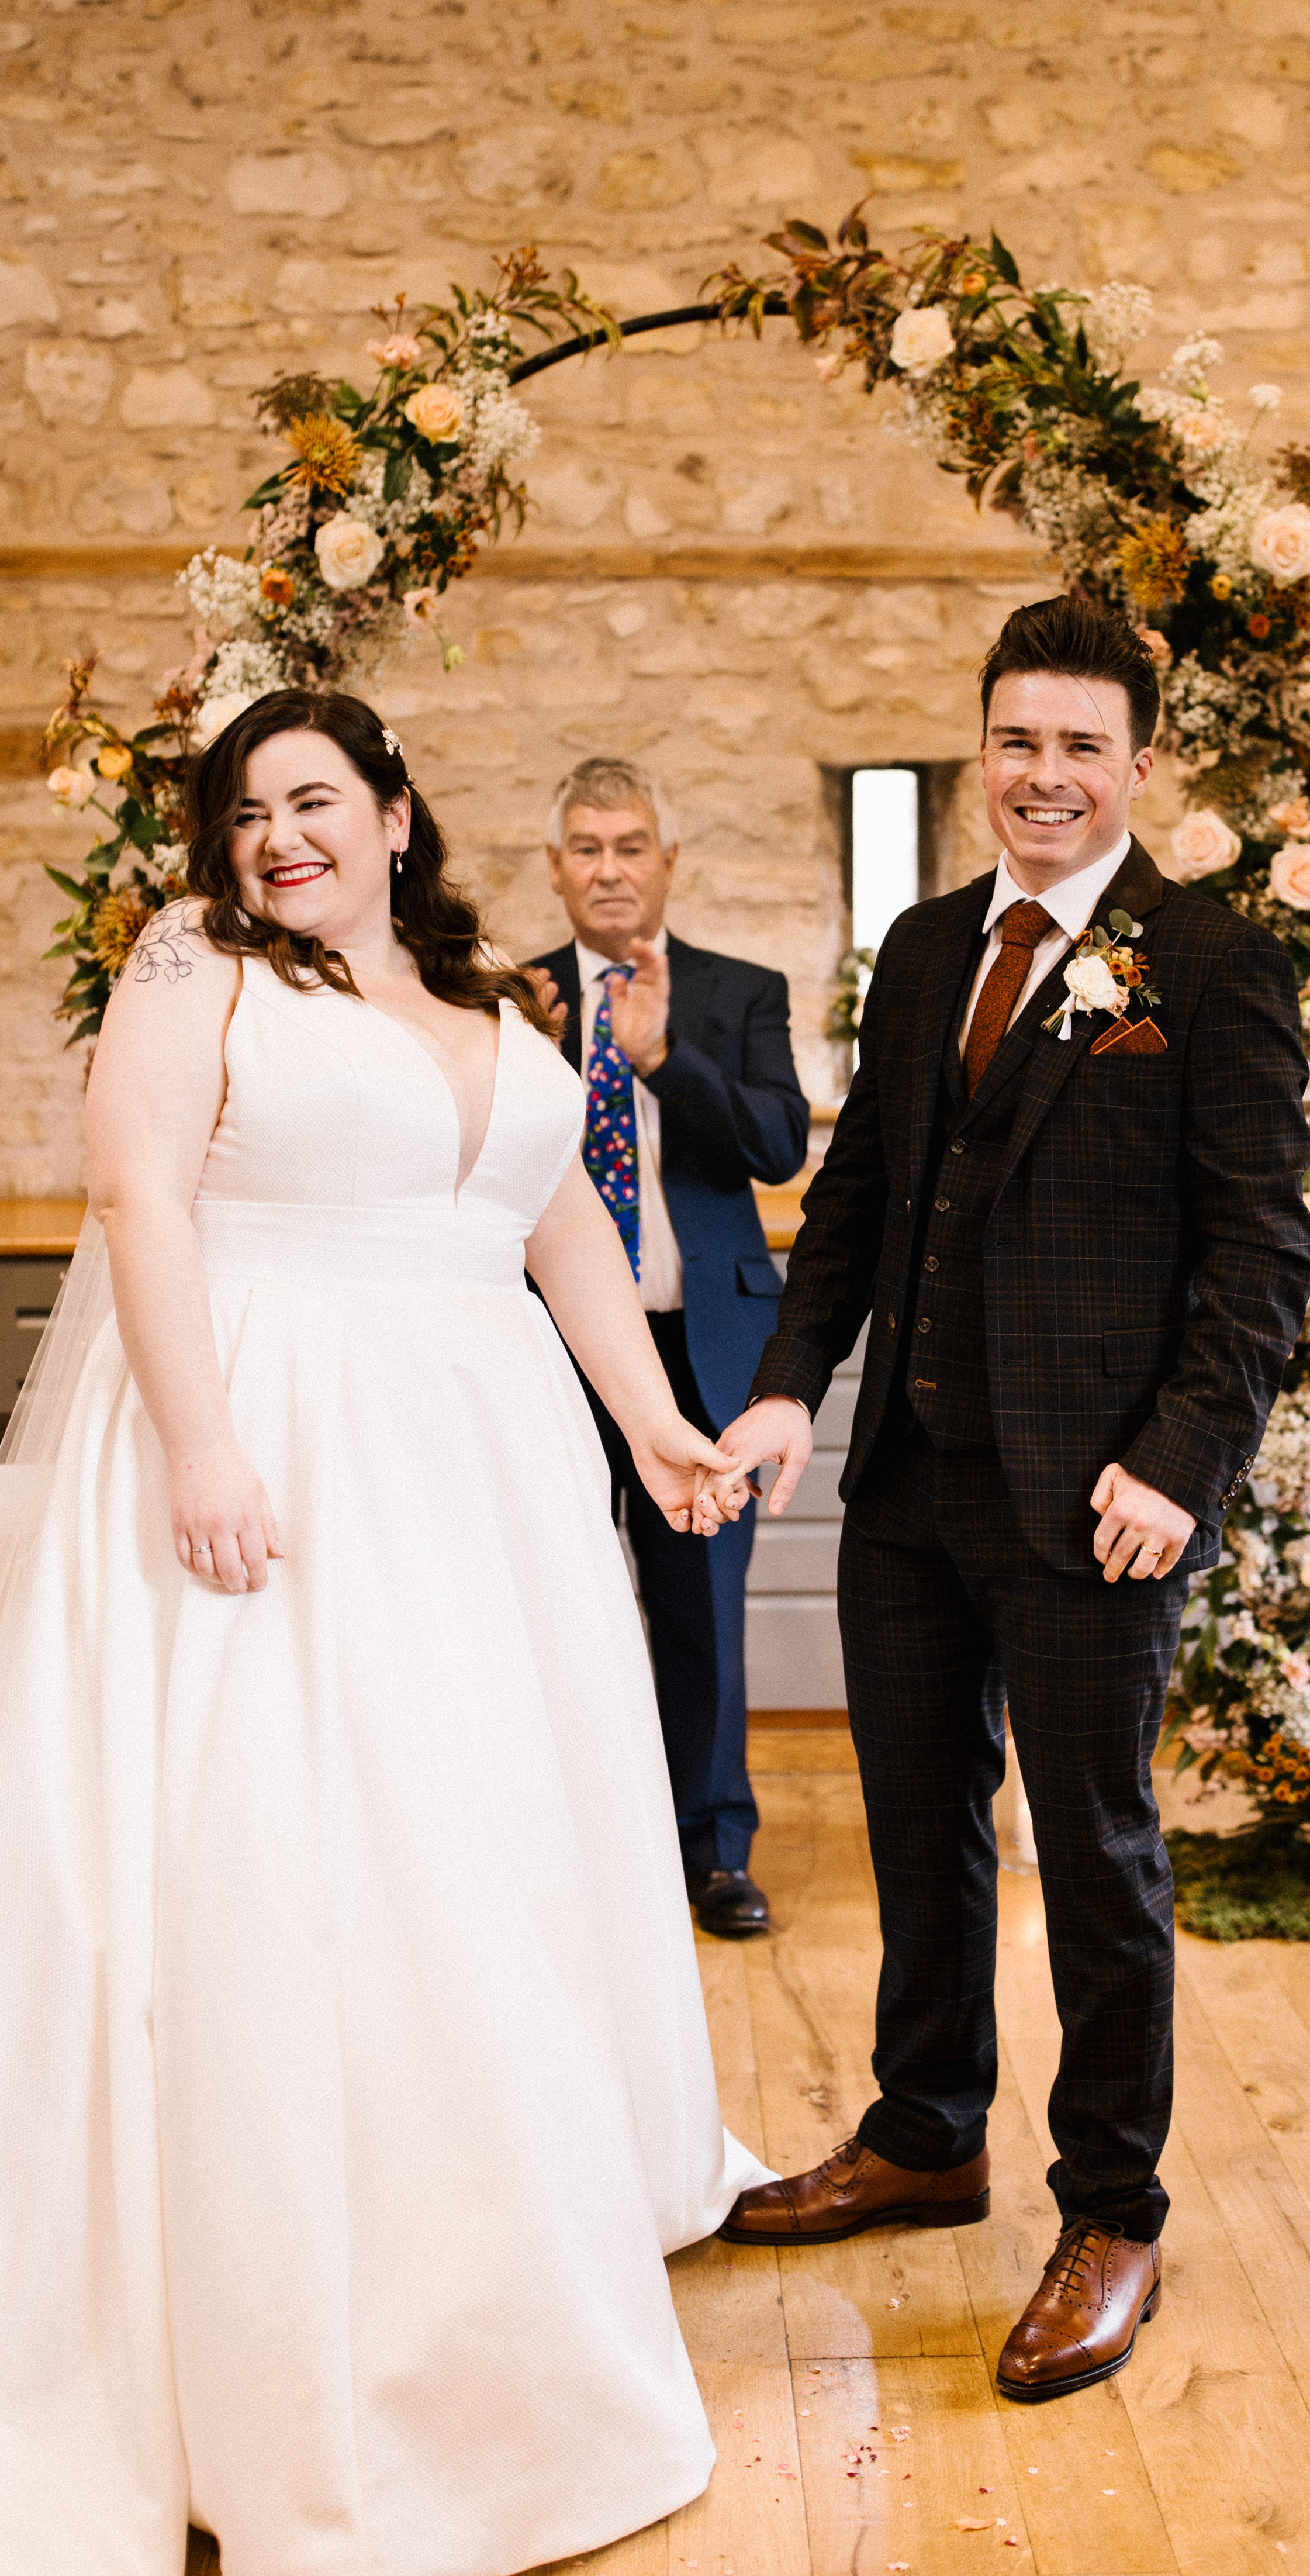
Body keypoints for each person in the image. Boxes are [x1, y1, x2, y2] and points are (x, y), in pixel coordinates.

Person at [0, 689, 774, 2574]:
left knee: (471, 1849)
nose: (281, 836)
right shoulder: (199, 959)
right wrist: (199, 1439)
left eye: (317, 797)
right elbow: (135, 1190)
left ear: (398, 814)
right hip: (278, 1442)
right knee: (293, 1853)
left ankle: (483, 2270)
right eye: (249, 809)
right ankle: (272, 2318)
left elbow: (562, 1226)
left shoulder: (494, 1000)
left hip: (482, 1487)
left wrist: (657, 1421)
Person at [711, 600, 1310, 2402]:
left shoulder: (1206, 964)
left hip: (1095, 1502)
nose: (1043, 775)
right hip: (908, 1483)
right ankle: (926, 2129)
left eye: (1079, 745)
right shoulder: (918, 951)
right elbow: (855, 1201)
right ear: (982, 749)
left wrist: (1180, 1464)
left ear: (1139, 764)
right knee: (918, 1830)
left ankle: (1113, 2208)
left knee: (1100, 1853)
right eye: (1015, 739)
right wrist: (783, 1386)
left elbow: (1260, 1254)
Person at [524, 759, 809, 1940]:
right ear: (555, 869)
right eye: (586, 848)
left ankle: (711, 1851)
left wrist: (660, 1058)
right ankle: (569, 1847)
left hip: (704, 1347)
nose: (609, 869)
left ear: (667, 862)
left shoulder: (740, 991)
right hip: (548, 1351)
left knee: (702, 1613)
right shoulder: (508, 997)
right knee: (553, 1600)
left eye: (630, 845)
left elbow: (779, 1144)